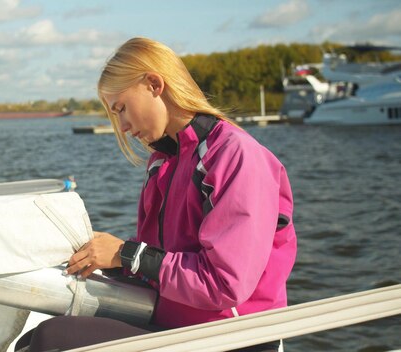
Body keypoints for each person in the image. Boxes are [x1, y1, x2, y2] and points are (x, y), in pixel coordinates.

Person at [17, 37, 297, 352]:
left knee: (50, 340)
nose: (121, 126)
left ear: (154, 84)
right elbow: (159, 267)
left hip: (231, 338)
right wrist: (108, 258)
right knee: (33, 338)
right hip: (175, 328)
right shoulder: (164, 162)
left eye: (121, 108)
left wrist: (127, 254)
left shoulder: (235, 155)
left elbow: (225, 283)